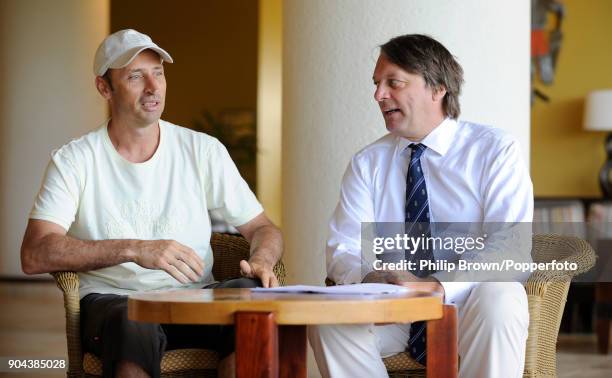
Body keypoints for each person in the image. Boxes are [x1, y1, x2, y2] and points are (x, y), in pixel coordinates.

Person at [20, 29, 283, 378]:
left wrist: (262, 260)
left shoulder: (202, 150)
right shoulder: (74, 161)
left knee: (253, 303)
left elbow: (263, 228)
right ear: (104, 88)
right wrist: (134, 249)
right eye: (135, 76)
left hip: (196, 299)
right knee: (133, 321)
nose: (153, 86)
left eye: (158, 73)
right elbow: (35, 253)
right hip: (115, 303)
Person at [308, 34, 533, 378]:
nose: (379, 95)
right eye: (376, 84)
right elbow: (343, 248)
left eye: (393, 83)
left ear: (438, 87)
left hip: (470, 300)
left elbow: (511, 246)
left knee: (501, 298)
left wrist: (440, 286)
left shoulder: (495, 150)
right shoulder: (367, 163)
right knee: (327, 321)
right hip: (396, 308)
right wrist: (373, 278)